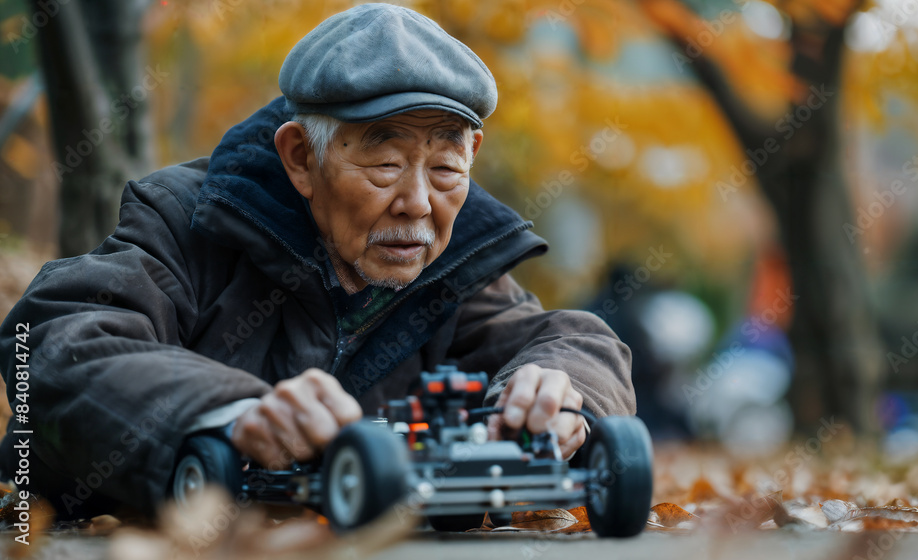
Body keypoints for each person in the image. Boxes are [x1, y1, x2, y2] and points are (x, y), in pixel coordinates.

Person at [0, 3, 633, 519]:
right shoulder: (185, 218)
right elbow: (53, 339)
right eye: (385, 164)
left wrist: (561, 393)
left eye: (445, 167)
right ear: (301, 157)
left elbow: (574, 339)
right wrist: (227, 411)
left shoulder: (455, 256)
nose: (417, 203)